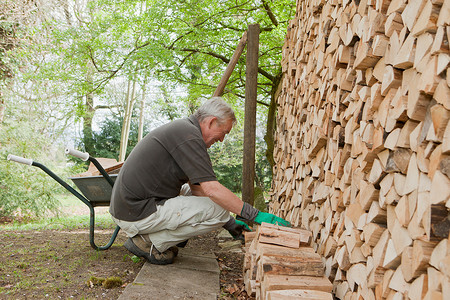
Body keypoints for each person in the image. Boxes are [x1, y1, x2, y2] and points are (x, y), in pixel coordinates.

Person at [109, 97, 290, 265]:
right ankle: (149, 242)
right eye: (223, 132)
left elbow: (197, 189)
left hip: (132, 206)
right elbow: (212, 189)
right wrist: (256, 215)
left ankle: (153, 238)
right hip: (135, 211)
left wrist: (230, 223)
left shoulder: (186, 130)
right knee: (218, 210)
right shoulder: (189, 135)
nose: (221, 139)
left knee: (205, 202)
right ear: (211, 121)